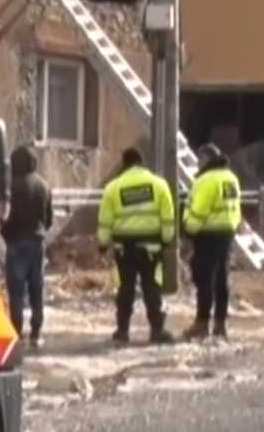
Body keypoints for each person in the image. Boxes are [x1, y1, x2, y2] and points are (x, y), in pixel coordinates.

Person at [98, 147, 176, 345]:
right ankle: (157, 331)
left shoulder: (113, 188)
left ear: (124, 164)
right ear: (142, 163)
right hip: (151, 248)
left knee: (125, 289)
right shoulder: (159, 185)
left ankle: (122, 331)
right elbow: (168, 218)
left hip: (124, 249)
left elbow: (105, 221)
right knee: (152, 288)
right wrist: (167, 240)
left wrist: (102, 244)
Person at [182, 144, 242, 341]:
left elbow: (199, 210)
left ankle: (201, 323)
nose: (198, 163)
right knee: (222, 279)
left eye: (200, 159)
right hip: (227, 232)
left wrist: (188, 231)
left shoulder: (205, 180)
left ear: (206, 159)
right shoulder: (231, 178)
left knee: (205, 279)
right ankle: (220, 324)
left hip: (207, 234)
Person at [0, 145, 53, 347]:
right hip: (37, 241)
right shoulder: (44, 185)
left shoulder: (10, 186)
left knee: (16, 290)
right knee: (36, 287)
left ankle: (17, 331)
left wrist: (5, 233)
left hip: (14, 242)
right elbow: (49, 219)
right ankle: (37, 332)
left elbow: (4, 215)